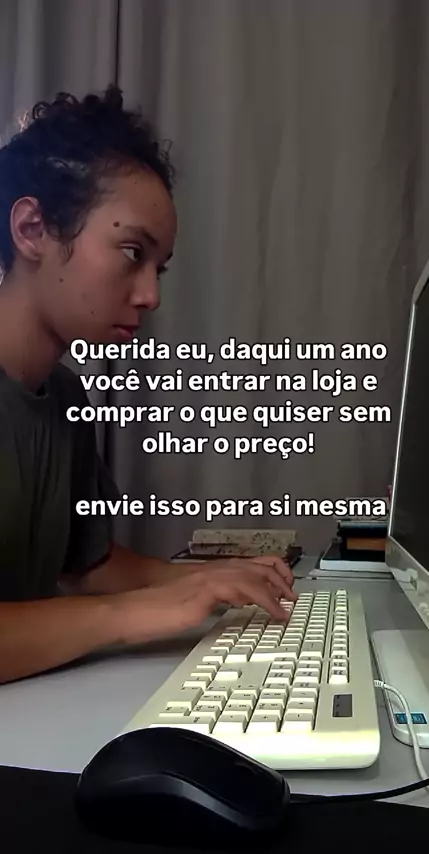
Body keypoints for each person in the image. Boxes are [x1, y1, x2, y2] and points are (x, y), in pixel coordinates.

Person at [0, 85, 296, 685]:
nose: (151, 295)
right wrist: (135, 613)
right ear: (32, 229)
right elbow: (105, 600)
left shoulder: (63, 398)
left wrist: (210, 580)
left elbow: (88, 565)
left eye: (157, 268)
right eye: (131, 252)